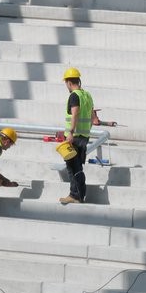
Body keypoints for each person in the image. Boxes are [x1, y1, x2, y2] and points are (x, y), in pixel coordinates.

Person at [59, 67, 95, 205]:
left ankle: (75, 195)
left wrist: (70, 133)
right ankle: (79, 195)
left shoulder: (74, 96)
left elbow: (75, 114)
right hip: (84, 136)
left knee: (72, 167)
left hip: (75, 137)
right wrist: (86, 132)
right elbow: (92, 118)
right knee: (78, 166)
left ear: (68, 82)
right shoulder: (87, 95)